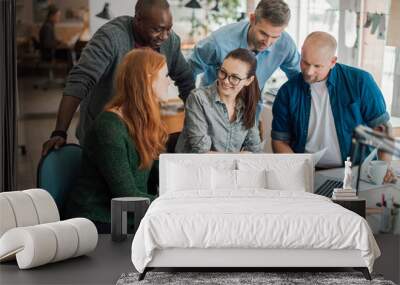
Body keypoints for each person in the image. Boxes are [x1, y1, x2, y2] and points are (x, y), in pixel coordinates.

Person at [42, 0, 194, 155]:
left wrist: (195, 123)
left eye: (169, 29)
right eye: (157, 29)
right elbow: (80, 80)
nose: (164, 36)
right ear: (138, 20)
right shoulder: (111, 37)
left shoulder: (170, 40)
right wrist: (60, 131)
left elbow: (186, 80)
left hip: (141, 131)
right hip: (104, 131)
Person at [64, 48, 169, 233]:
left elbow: (151, 169)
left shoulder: (140, 119)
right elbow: (127, 196)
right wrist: (172, 203)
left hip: (127, 217)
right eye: (165, 75)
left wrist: (186, 184)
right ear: (148, 79)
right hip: (98, 220)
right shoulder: (109, 127)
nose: (169, 81)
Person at [271, 31, 394, 182]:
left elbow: (383, 129)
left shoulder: (360, 81)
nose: (309, 71)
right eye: (305, 62)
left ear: (332, 62)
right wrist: (298, 170)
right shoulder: (287, 92)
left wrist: (385, 166)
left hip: (357, 172)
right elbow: (279, 141)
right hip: (309, 173)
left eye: (317, 66)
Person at [189, 0, 300, 121]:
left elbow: (298, 78)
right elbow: (188, 71)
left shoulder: (286, 45)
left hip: (250, 114)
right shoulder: (219, 42)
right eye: (263, 33)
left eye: (275, 37)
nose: (268, 42)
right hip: (211, 113)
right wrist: (192, 107)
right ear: (252, 19)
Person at [175, 48, 262, 153]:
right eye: (223, 72)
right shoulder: (198, 98)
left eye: (234, 78)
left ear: (248, 80)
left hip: (227, 168)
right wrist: (239, 156)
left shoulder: (248, 102)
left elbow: (254, 149)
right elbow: (202, 151)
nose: (225, 81)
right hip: (194, 166)